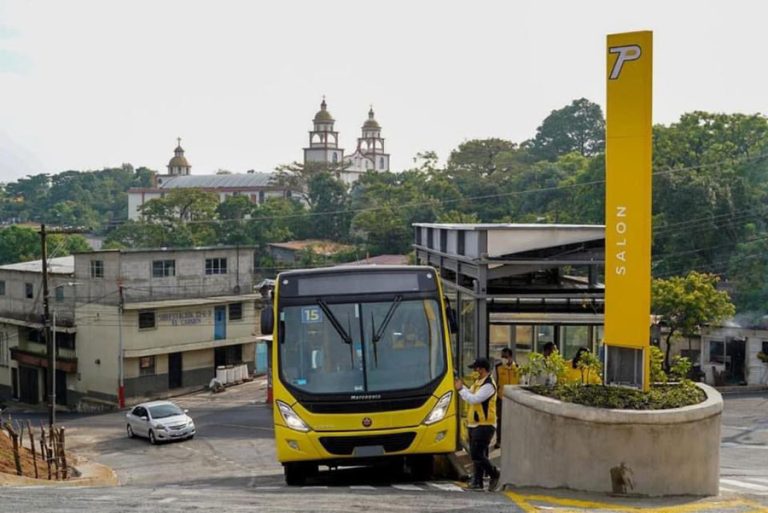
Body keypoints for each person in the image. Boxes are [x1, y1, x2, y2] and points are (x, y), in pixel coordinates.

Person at [454, 357, 501, 491]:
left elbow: (474, 399)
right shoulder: (478, 383)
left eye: (476, 368)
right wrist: (462, 387)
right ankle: (477, 482)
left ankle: (494, 473)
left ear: (482, 369)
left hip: (485, 425)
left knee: (477, 454)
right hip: (475, 424)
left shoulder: (488, 385)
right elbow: (470, 393)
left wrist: (460, 390)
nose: (475, 371)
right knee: (476, 455)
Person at [494, 348, 518, 449]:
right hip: (501, 398)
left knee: (513, 420)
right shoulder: (497, 368)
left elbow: (521, 383)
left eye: (505, 356)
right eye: (502, 356)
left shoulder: (517, 368)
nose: (503, 358)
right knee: (500, 420)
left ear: (510, 357)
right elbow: (493, 382)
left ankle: (512, 440)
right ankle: (499, 441)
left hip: (514, 400)